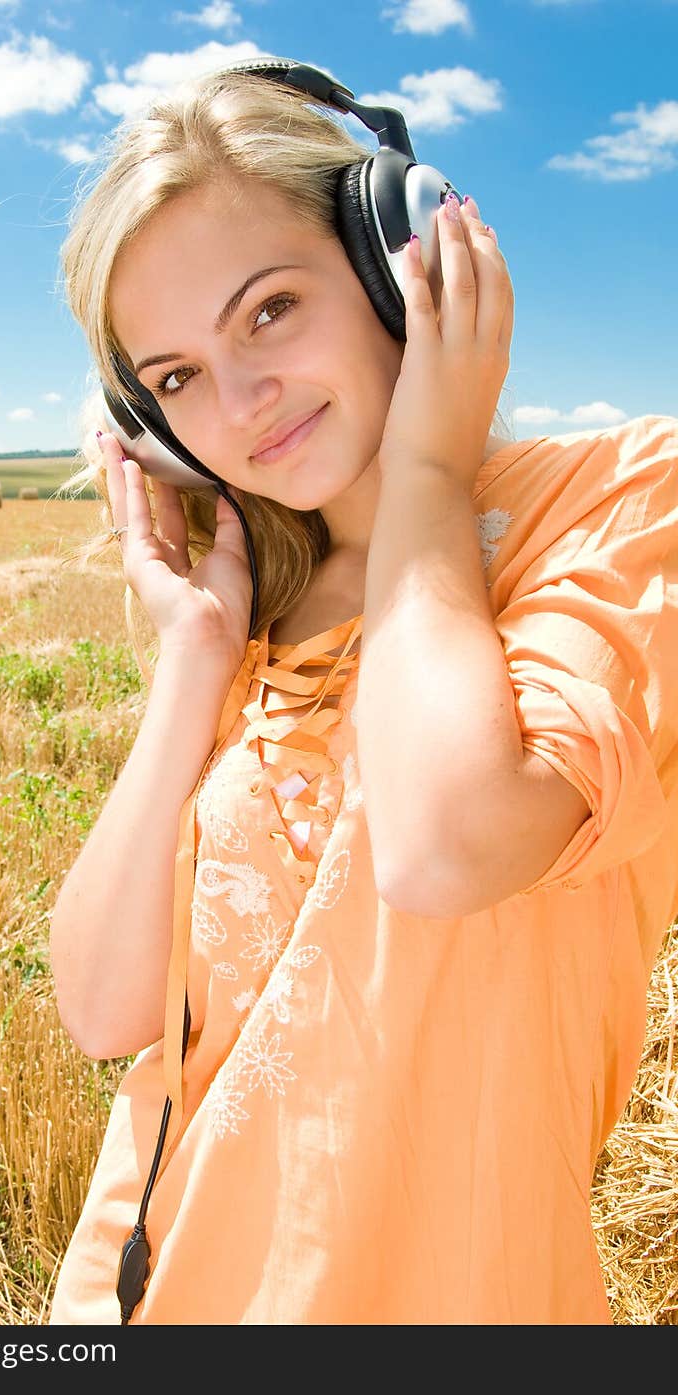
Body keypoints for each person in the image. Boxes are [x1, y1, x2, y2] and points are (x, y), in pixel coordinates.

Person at [47, 60, 678, 1325]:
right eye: (173, 378)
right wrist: (193, 663)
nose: (235, 404)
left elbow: (447, 848)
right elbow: (109, 1011)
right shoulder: (259, 597)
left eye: (269, 311)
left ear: (397, 256)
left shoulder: (619, 502)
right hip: (141, 1291)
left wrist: (431, 468)